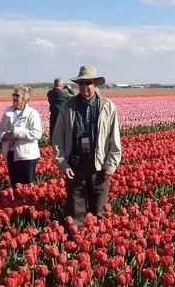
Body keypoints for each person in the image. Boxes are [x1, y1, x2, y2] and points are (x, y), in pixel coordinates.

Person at [52, 65, 122, 227]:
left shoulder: (107, 106)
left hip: (99, 164)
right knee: (75, 211)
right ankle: (77, 238)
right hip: (76, 164)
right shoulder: (68, 107)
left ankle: (98, 240)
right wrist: (63, 164)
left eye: (88, 83)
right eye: (81, 83)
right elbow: (57, 139)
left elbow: (114, 138)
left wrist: (111, 164)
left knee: (99, 210)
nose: (84, 86)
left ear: (95, 84)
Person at [0, 85, 42, 187]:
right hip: (11, 153)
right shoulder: (8, 112)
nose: (14, 97)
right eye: (13, 95)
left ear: (25, 98)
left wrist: (16, 133)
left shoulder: (32, 113)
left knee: (27, 186)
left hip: (27, 155)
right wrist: (5, 135)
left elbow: (37, 133)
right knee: (15, 186)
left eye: (17, 95)